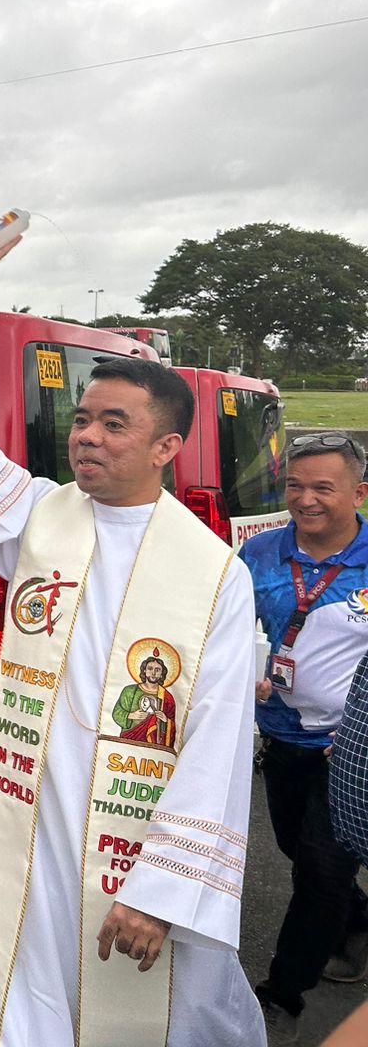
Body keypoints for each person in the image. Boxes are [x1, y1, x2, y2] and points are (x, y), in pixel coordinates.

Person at [0, 227, 263, 1046]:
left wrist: (163, 889)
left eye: (116, 424)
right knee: (26, 1002)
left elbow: (217, 740)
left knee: (152, 1017)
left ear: (168, 446)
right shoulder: (42, 515)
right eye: (83, 419)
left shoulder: (213, 573)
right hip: (34, 826)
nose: (88, 437)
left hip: (131, 851)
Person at [243, 431, 368, 1043]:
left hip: (354, 751)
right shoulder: (260, 554)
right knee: (299, 848)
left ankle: (282, 995)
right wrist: (250, 673)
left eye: (323, 487)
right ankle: (356, 917)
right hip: (282, 740)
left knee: (319, 869)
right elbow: (232, 632)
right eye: (295, 485)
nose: (306, 499)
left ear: (359, 492)